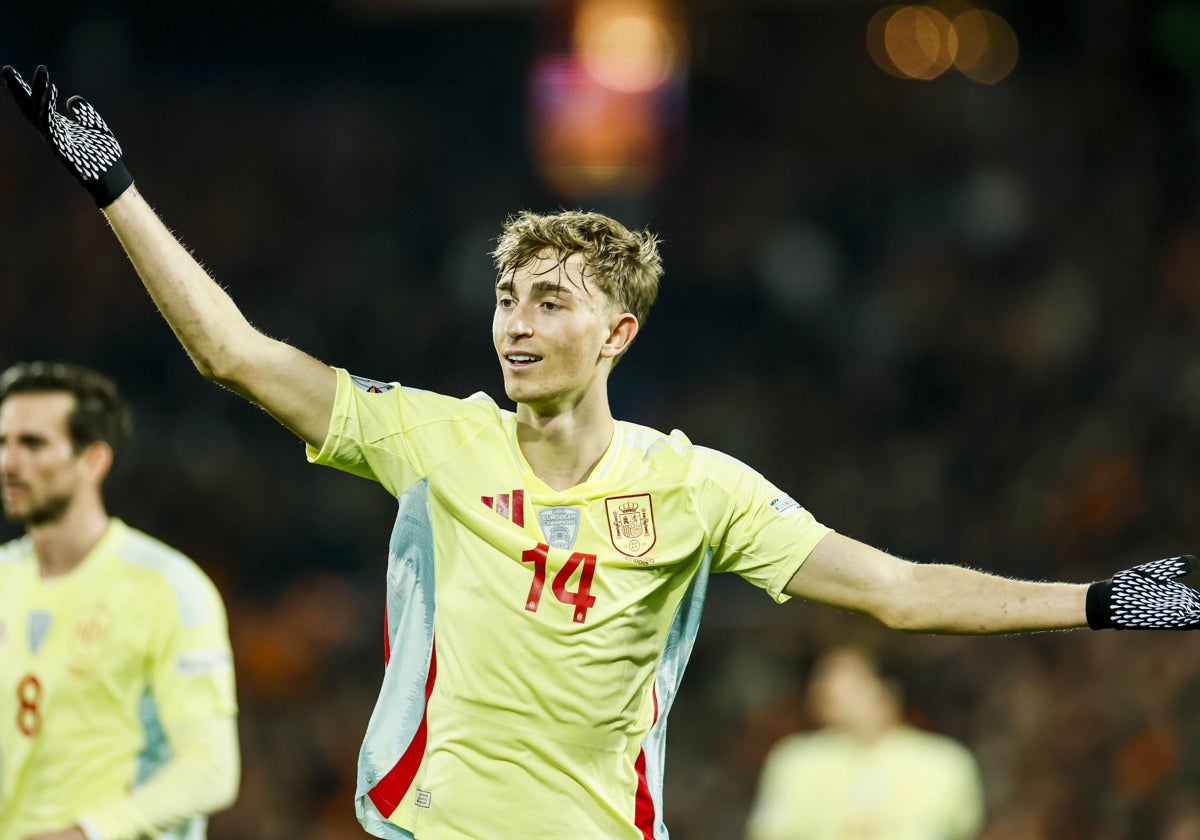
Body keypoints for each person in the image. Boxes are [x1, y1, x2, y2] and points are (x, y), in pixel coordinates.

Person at [4, 63, 1199, 840]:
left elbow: (895, 590)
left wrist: (1094, 601)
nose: (517, 323)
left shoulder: (694, 487)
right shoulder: (434, 435)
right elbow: (237, 356)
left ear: (618, 330)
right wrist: (112, 185)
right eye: (508, 299)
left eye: (551, 303)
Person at [0, 361, 240, 840]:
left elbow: (212, 768)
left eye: (33, 444)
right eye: (3, 443)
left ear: (94, 461)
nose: (9, 463)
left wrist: (89, 832)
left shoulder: (168, 587)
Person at [745, 645, 985, 840]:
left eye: (851, 688)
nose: (835, 698)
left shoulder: (944, 761)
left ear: (888, 690)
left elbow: (962, 829)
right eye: (826, 689)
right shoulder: (796, 759)